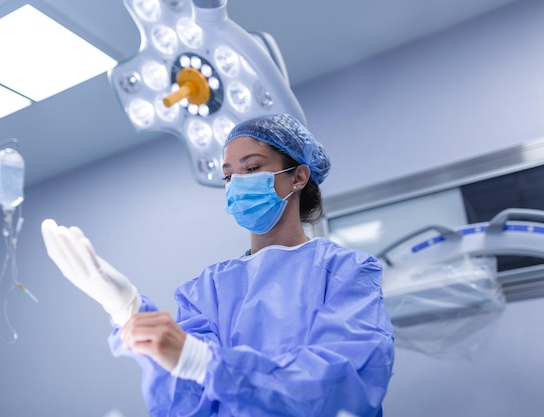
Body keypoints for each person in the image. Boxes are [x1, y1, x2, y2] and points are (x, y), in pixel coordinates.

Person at [41, 113, 395, 417]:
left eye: (252, 168)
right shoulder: (208, 288)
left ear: (298, 177)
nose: (238, 184)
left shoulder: (345, 271)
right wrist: (127, 311)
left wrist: (206, 363)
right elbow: (184, 402)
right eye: (229, 176)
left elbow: (340, 388)